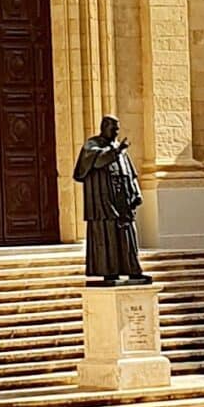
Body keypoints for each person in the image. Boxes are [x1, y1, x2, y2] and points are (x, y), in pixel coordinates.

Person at [73, 115, 150, 285]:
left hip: (124, 199)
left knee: (128, 235)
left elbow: (131, 173)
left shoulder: (118, 148)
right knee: (108, 236)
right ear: (104, 127)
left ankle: (133, 270)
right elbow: (96, 161)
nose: (116, 132)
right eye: (113, 128)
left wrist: (136, 193)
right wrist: (116, 151)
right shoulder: (92, 145)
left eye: (117, 128)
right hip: (104, 201)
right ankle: (109, 271)